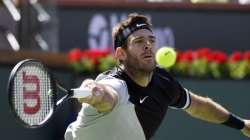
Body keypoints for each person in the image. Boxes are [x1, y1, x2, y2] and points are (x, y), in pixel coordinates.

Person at [65, 13, 250, 140]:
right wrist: (93, 90)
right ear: (121, 54)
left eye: (151, 40)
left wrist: (241, 124)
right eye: (139, 42)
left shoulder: (163, 82)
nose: (148, 46)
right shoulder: (115, 85)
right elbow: (106, 95)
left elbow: (198, 106)